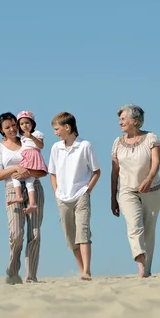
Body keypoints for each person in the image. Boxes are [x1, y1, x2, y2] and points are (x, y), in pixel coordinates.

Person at [0, 112, 48, 284]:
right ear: (1, 130)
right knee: (16, 233)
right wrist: (16, 168)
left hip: (34, 186)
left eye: (13, 125)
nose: (12, 129)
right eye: (7, 127)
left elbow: (41, 168)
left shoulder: (27, 140)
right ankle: (13, 269)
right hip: (12, 188)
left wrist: (28, 172)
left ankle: (31, 276)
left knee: (35, 234)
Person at [110, 103, 160, 278]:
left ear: (136, 120)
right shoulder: (117, 143)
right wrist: (113, 197)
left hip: (151, 190)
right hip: (127, 191)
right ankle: (140, 268)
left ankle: (147, 269)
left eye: (123, 119)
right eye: (120, 119)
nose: (120, 122)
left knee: (149, 230)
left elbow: (156, 164)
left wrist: (148, 178)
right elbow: (115, 171)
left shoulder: (151, 138)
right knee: (134, 226)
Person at [48, 111, 101, 281]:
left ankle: (87, 271)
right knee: (71, 238)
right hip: (63, 198)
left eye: (57, 129)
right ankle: (81, 270)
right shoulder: (56, 148)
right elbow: (53, 173)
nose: (55, 132)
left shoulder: (85, 146)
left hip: (81, 196)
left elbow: (96, 172)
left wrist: (87, 191)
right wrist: (56, 193)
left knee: (83, 233)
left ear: (67, 127)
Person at [6, 110, 48, 214]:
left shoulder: (37, 133)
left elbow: (41, 146)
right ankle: (23, 198)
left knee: (21, 177)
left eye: (27, 123)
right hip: (26, 158)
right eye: (22, 124)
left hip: (33, 157)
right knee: (24, 180)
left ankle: (26, 199)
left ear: (32, 123)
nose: (24, 125)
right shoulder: (22, 137)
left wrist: (32, 137)